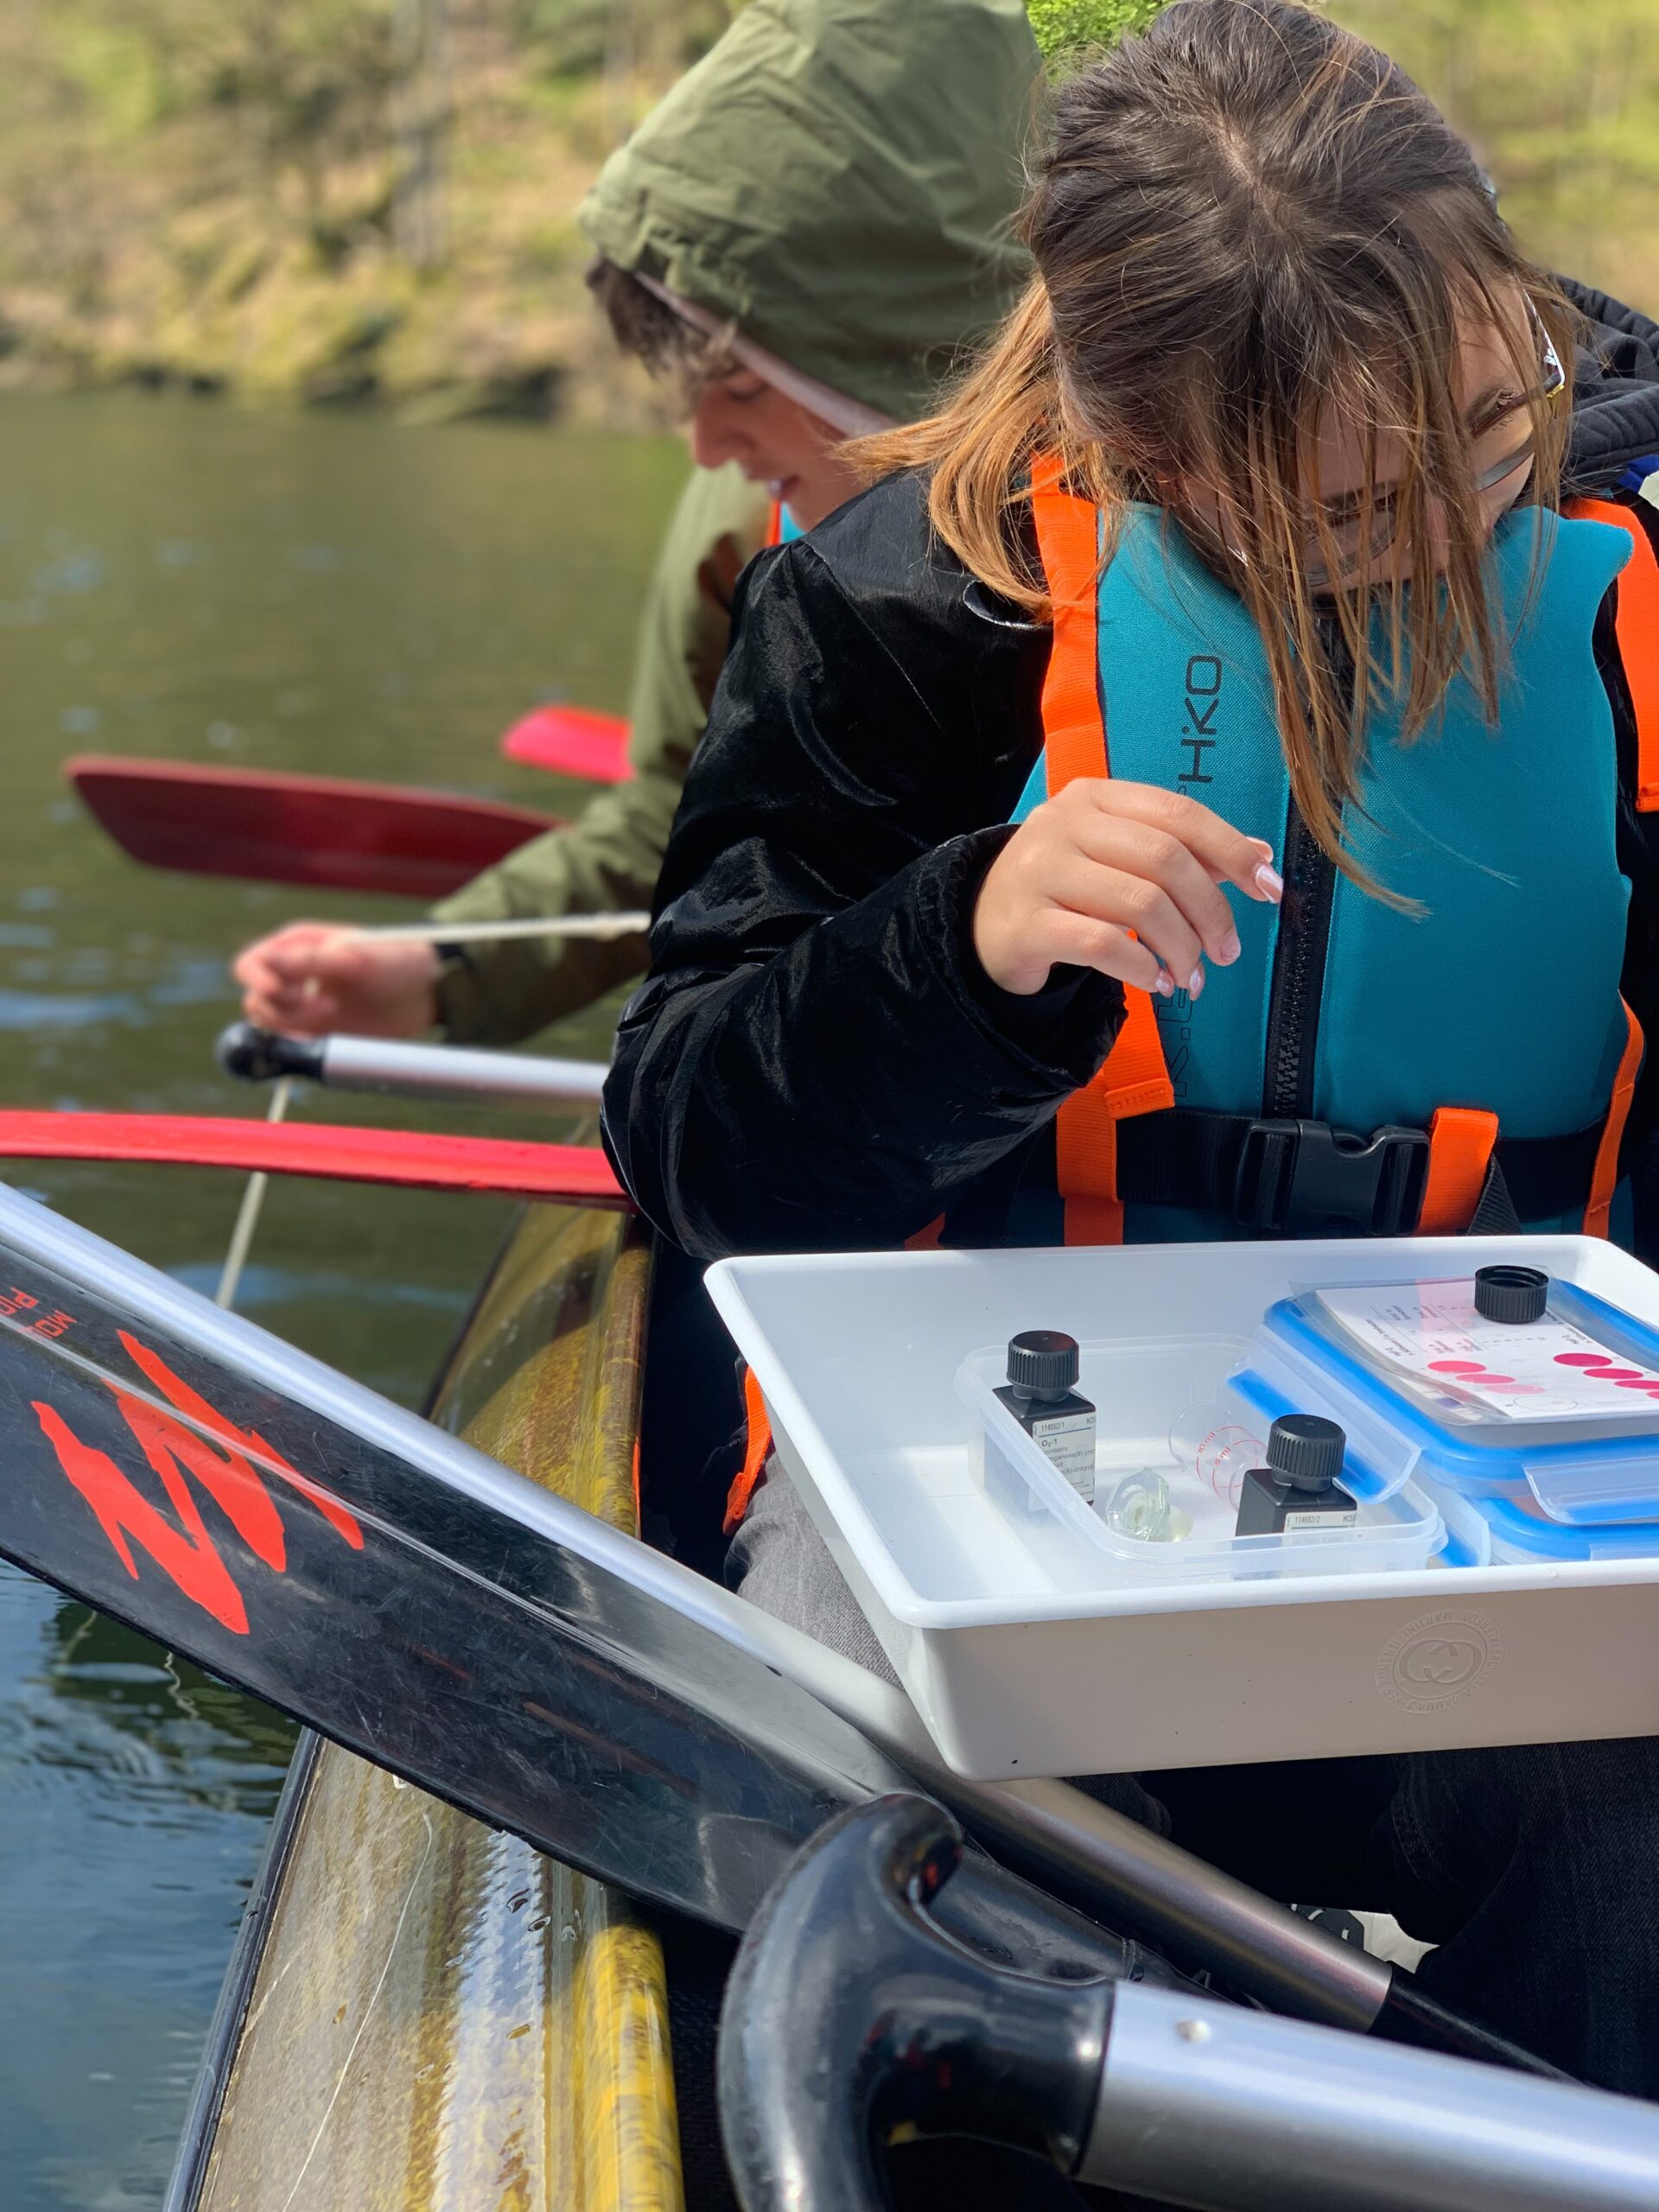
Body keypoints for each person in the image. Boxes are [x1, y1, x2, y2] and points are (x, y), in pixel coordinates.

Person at [604, 0, 1659, 2093]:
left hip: (1518, 1498)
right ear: (1144, 458)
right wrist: (961, 946)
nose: (1465, 518)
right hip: (1013, 1512)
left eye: (1488, 412)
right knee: (844, 1772)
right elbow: (692, 1142)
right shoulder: (912, 604)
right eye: (1359, 511)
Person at [232, 0, 1041, 1046]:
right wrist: (442, 970)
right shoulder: (748, 519)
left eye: (742, 386)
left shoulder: (1189, 508)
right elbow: (675, 812)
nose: (703, 443)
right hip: (834, 1088)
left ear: (881, 355)